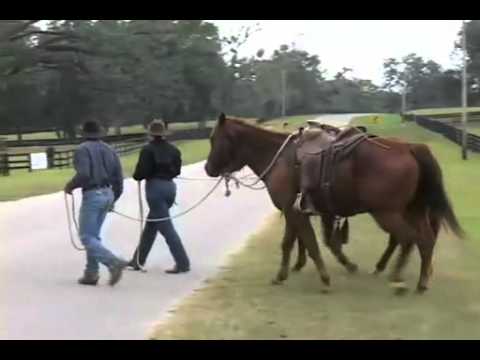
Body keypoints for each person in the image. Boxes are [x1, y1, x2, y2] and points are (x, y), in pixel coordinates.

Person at [64, 120, 128, 286]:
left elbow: (84, 174)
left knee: (86, 236)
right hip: (108, 193)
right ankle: (91, 273)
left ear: (84, 133)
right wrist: (114, 197)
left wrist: (70, 186)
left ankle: (113, 262)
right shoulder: (110, 149)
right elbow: (119, 177)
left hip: (93, 194)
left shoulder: (82, 149)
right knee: (94, 236)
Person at [128, 119, 190, 274]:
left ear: (150, 134)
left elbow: (140, 173)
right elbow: (177, 171)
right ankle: (138, 260)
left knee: (166, 227)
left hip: (155, 188)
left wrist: (138, 176)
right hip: (170, 187)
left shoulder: (147, 150)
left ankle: (183, 262)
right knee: (151, 226)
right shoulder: (174, 150)